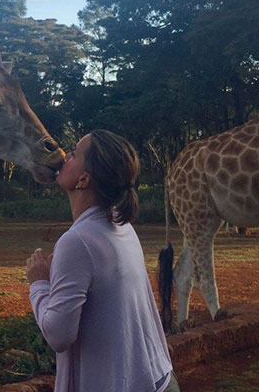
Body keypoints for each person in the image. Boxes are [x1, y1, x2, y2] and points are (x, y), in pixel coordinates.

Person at [26, 129, 179, 392]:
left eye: (75, 153)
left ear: (84, 179)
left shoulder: (78, 241)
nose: (65, 155)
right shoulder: (121, 225)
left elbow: (59, 335)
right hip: (159, 379)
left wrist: (39, 285)